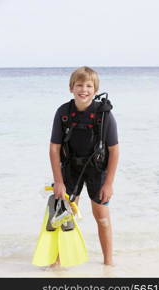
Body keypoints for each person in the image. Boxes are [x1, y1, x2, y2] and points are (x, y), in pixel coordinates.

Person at [49, 66, 119, 265]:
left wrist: (109, 184)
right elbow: (54, 149)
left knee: (102, 217)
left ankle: (108, 262)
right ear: (71, 87)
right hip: (71, 169)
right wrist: (58, 181)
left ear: (95, 90)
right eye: (79, 85)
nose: (84, 89)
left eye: (89, 85)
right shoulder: (63, 113)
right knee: (64, 217)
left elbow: (114, 150)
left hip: (97, 170)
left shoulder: (104, 115)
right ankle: (58, 262)